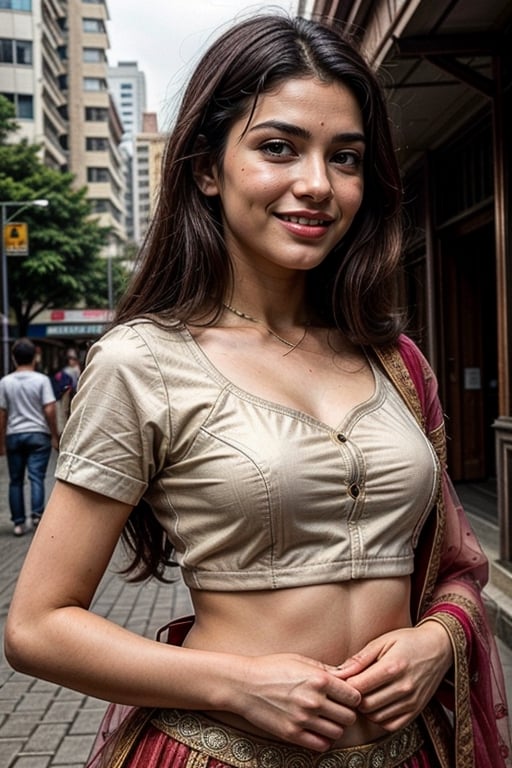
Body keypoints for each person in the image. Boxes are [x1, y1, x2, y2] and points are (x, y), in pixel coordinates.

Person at [4, 13, 510, 768]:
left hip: (410, 752)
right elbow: (37, 626)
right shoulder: (144, 363)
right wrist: (235, 684)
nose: (317, 185)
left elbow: (461, 569)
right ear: (208, 168)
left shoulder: (396, 361)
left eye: (346, 157)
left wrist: (436, 641)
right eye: (279, 147)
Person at [0, 337, 59, 535]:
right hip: (38, 435)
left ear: (14, 359)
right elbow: (50, 409)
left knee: (16, 480)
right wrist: (54, 434)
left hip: (14, 435)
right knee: (36, 477)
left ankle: (18, 523)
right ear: (35, 357)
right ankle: (37, 515)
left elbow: (2, 413)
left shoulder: (5, 382)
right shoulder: (42, 380)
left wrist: (1, 442)